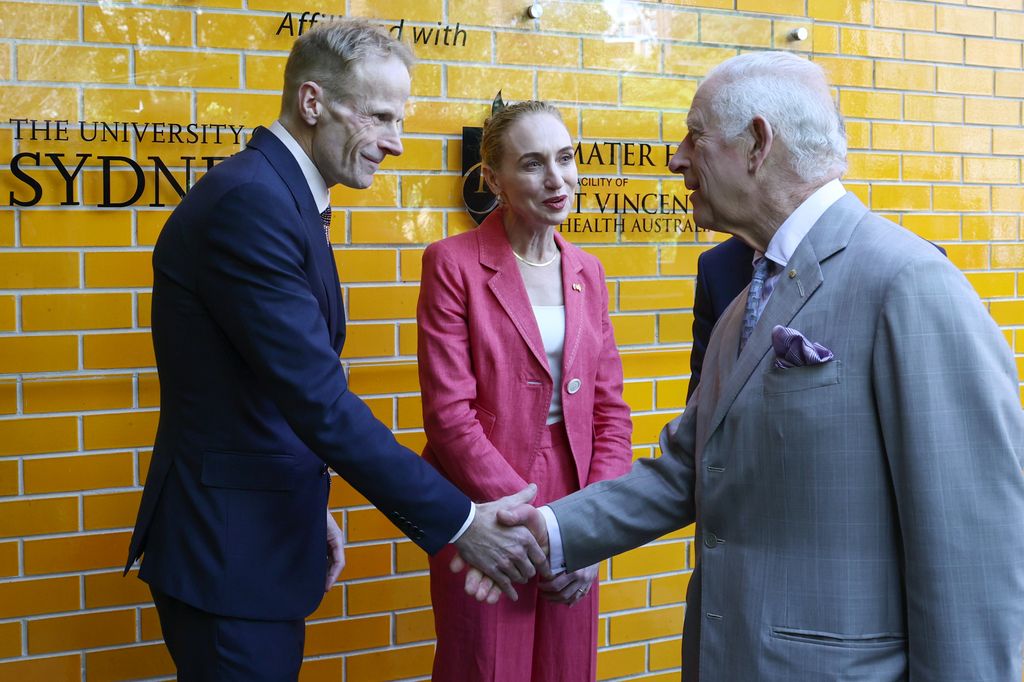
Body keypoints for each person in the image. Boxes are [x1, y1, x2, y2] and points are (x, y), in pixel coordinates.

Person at [489, 51, 1024, 681]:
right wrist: (545, 530)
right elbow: (685, 471)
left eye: (695, 135)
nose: (677, 158)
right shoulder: (748, 295)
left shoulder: (909, 283)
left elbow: (973, 557)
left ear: (757, 144)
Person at [123, 19, 544, 681]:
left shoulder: (275, 196)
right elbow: (318, 399)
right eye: (379, 117)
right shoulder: (252, 205)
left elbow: (260, 392)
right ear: (313, 103)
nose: (397, 144)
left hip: (257, 534)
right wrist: (463, 522)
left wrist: (306, 503)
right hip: (228, 551)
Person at [417, 100, 633, 681]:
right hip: (487, 502)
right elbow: (448, 415)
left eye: (565, 158)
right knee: (486, 664)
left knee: (566, 665)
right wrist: (536, 525)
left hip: (573, 494)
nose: (556, 179)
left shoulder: (588, 270)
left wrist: (591, 529)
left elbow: (611, 412)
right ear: (494, 180)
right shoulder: (452, 263)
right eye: (533, 164)